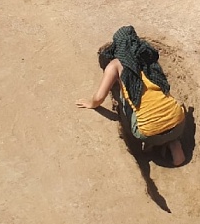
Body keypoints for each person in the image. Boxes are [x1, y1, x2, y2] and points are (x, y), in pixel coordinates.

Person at [77, 26, 187, 167]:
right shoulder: (148, 57)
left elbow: (99, 98)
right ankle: (174, 144)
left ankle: (147, 146)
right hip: (178, 123)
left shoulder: (115, 65)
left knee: (124, 100)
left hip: (149, 132)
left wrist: (91, 104)